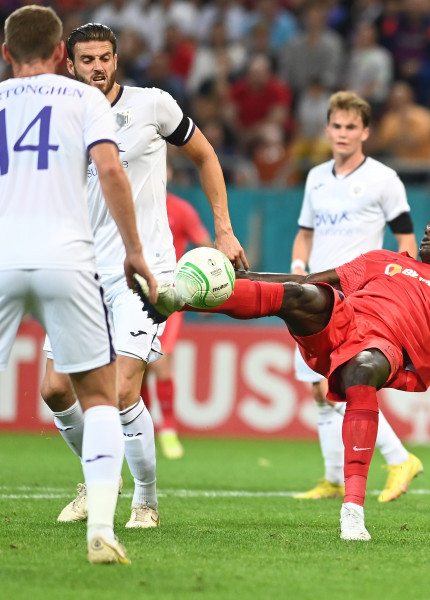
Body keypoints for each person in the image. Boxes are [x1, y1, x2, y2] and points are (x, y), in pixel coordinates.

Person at [135, 212, 430, 541]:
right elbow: (307, 279)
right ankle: (176, 298)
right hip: (344, 321)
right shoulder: (384, 259)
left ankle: (352, 511)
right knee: (299, 294)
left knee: (362, 371)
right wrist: (240, 278)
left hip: (389, 348)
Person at [40, 23, 248, 531]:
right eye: (86, 59)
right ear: (69, 63)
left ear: (116, 59)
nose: (97, 68)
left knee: (122, 389)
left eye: (104, 58)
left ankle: (146, 501)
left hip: (143, 271)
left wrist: (223, 229)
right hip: (78, 272)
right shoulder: (56, 118)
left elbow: (204, 155)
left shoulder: (153, 105)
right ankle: (93, 479)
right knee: (54, 391)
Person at [0, 6, 159, 564]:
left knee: (74, 391)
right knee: (98, 398)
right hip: (70, 259)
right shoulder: (85, 100)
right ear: (63, 55)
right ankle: (100, 527)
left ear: (5, 54)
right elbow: (111, 170)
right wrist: (135, 251)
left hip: (2, 256)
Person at [290, 90, 423, 503]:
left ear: (365, 131)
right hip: (315, 292)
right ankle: (332, 478)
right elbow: (305, 233)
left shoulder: (383, 179)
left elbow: (405, 238)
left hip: (357, 296)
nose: (343, 134)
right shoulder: (316, 178)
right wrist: (298, 267)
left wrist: (399, 286)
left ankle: (400, 458)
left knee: (347, 384)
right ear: (327, 129)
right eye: (337, 126)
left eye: (351, 127)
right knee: (318, 387)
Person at [140, 187, 212, 459]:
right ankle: (143, 429)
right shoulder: (133, 203)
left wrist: (209, 292)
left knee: (160, 360)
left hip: (168, 298)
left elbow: (205, 245)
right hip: (131, 294)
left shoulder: (180, 209)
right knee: (136, 367)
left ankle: (168, 429)